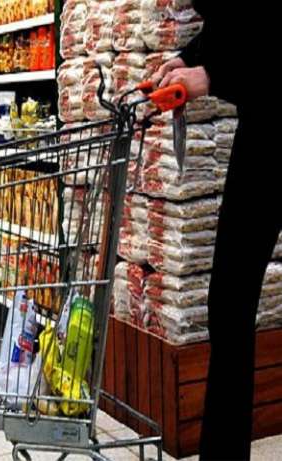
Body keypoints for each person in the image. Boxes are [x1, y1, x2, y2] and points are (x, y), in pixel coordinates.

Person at [152, 3, 280, 461]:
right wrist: (189, 56)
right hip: (265, 129)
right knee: (228, 303)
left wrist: (211, 76)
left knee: (231, 302)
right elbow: (241, 24)